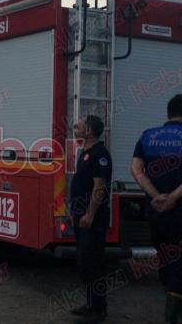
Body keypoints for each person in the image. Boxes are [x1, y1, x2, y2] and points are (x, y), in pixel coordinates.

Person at [131, 94, 182, 324]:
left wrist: (157, 197)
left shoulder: (147, 136)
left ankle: (173, 305)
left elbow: (135, 170)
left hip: (156, 212)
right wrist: (173, 198)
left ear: (169, 113)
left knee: (164, 255)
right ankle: (173, 315)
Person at [69, 115, 112, 323]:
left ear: (90, 131)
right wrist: (75, 212)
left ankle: (99, 311)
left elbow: (99, 187)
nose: (75, 126)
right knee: (84, 264)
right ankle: (89, 305)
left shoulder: (100, 154)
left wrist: (90, 214)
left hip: (93, 219)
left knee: (94, 264)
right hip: (80, 216)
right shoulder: (85, 152)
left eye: (80, 125)